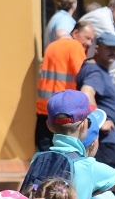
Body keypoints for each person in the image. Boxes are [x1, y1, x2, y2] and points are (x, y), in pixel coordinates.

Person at [35, 21, 95, 153]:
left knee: (44, 156)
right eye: (87, 38)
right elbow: (83, 75)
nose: (89, 43)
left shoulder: (51, 46)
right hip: (64, 112)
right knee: (66, 157)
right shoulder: (75, 46)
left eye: (92, 40)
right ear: (75, 33)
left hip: (44, 109)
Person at [76, 33, 115, 168]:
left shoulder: (96, 68)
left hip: (103, 140)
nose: (113, 51)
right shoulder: (95, 71)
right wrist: (99, 121)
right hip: (103, 141)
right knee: (108, 181)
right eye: (108, 48)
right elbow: (86, 94)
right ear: (97, 48)